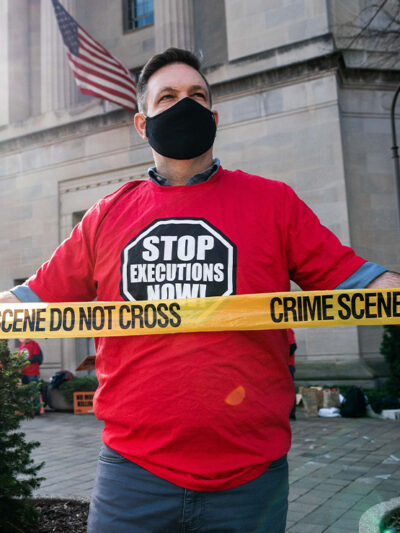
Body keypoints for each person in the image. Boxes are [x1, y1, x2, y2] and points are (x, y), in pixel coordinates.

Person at [0, 48, 399, 532]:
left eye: (196, 96)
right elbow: (32, 297)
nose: (183, 105)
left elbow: (357, 278)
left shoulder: (273, 203)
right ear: (143, 125)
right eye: (167, 97)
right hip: (133, 475)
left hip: (249, 479)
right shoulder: (105, 216)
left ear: (213, 117)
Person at [18, 337, 43, 414]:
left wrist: (27, 362)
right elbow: (19, 357)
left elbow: (36, 357)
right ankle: (29, 409)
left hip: (32, 372)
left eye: (21, 337)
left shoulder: (34, 344)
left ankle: (37, 409)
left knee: (34, 391)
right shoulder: (21, 345)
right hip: (23, 372)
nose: (19, 338)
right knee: (26, 392)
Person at [287, 329, 297, 421]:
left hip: (288, 364)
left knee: (289, 388)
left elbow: (293, 346)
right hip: (284, 363)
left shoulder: (287, 329)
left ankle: (291, 412)